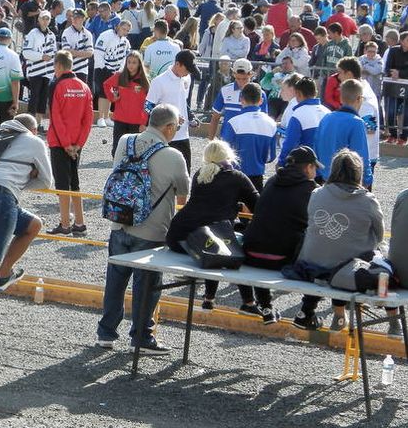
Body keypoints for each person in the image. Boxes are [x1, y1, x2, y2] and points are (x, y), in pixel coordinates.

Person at [97, 104, 191, 353]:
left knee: (115, 282)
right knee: (146, 286)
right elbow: (183, 192)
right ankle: (141, 336)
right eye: (176, 127)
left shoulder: (125, 141)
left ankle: (105, 333)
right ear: (169, 127)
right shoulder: (173, 156)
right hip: (151, 230)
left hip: (119, 223)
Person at [0, 114, 53, 331]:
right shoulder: (34, 142)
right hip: (2, 197)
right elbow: (46, 181)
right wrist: (25, 179)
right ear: (32, 130)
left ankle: (4, 274)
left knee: (33, 224)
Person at [292, 150, 385, 333]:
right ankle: (342, 314)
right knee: (353, 254)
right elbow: (380, 235)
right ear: (357, 172)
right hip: (346, 269)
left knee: (327, 247)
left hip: (310, 263)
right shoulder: (368, 201)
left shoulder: (317, 193)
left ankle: (310, 310)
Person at [164, 140, 259, 312]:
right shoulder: (237, 177)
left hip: (178, 236)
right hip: (204, 239)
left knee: (215, 244)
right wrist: (238, 206)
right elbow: (258, 205)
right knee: (229, 247)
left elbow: (206, 206)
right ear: (229, 156)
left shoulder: (200, 174)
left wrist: (234, 206)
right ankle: (248, 302)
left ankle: (209, 298)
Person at [240, 146, 323, 324]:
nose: (316, 172)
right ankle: (306, 312)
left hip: (251, 254)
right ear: (308, 167)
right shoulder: (312, 190)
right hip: (284, 260)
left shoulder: (271, 181)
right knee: (320, 245)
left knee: (266, 233)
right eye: (315, 168)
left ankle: (266, 305)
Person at [47, 51, 93, 237]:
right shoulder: (84, 86)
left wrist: (65, 144)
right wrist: (78, 144)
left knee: (62, 184)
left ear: (58, 66)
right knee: (75, 181)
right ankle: (80, 222)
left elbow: (56, 117)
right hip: (76, 143)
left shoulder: (56, 85)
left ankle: (65, 224)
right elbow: (88, 119)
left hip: (60, 142)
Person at [145, 50, 199, 170]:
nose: (188, 72)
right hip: (164, 136)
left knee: (185, 173)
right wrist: (169, 118)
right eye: (187, 69)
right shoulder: (159, 81)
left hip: (183, 135)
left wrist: (191, 116)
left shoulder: (187, 79)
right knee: (163, 173)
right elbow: (148, 107)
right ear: (178, 64)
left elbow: (183, 102)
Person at [315, 79, 372, 188]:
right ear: (359, 99)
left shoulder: (326, 118)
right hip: (347, 184)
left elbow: (316, 148)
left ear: (340, 97)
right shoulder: (357, 122)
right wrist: (366, 181)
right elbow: (361, 156)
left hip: (324, 182)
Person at [220, 83, 276, 191]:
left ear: (241, 99)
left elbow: (223, 153)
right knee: (254, 206)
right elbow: (270, 157)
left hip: (234, 175)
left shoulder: (233, 123)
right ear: (261, 100)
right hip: (257, 176)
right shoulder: (271, 124)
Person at [104, 50, 150, 156]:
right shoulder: (120, 76)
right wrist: (112, 97)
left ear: (139, 64)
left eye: (134, 62)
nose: (131, 65)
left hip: (136, 121)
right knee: (117, 150)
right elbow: (106, 85)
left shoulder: (144, 81)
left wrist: (144, 122)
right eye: (129, 62)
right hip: (120, 119)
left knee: (133, 151)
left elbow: (148, 103)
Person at [278, 75, 330, 164]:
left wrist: (281, 162)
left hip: (305, 167)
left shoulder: (298, 114)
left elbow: (290, 143)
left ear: (298, 93)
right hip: (326, 167)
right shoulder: (328, 112)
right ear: (316, 92)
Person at [208, 58, 264, 140]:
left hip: (248, 140)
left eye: (244, 79)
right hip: (227, 139)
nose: (241, 82)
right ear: (233, 74)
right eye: (238, 78)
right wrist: (210, 141)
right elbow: (215, 117)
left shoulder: (260, 94)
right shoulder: (225, 90)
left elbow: (263, 120)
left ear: (251, 74)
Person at [22, 10, 58, 129]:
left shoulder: (52, 35)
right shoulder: (32, 33)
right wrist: (41, 56)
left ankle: (38, 123)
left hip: (48, 72)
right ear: (38, 19)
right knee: (34, 96)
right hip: (35, 71)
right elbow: (26, 52)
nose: (45, 21)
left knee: (43, 98)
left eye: (47, 18)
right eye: (43, 18)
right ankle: (30, 123)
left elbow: (53, 52)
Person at [93, 20, 132, 127]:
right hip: (102, 69)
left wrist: (120, 70)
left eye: (127, 31)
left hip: (116, 71)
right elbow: (98, 52)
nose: (125, 32)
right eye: (124, 29)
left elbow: (125, 57)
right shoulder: (106, 35)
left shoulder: (125, 41)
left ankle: (106, 117)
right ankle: (100, 117)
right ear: (118, 26)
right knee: (102, 93)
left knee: (111, 93)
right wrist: (103, 67)